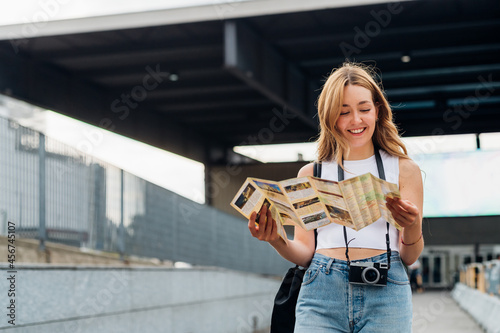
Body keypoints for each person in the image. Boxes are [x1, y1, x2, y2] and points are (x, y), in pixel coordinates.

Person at [248, 62, 424, 332]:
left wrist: (412, 225)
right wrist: (276, 239)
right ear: (330, 118)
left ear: (377, 110)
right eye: (344, 112)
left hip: (387, 292)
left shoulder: (403, 170)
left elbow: (410, 256)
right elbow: (305, 253)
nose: (356, 120)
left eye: (364, 109)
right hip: (321, 291)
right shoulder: (312, 173)